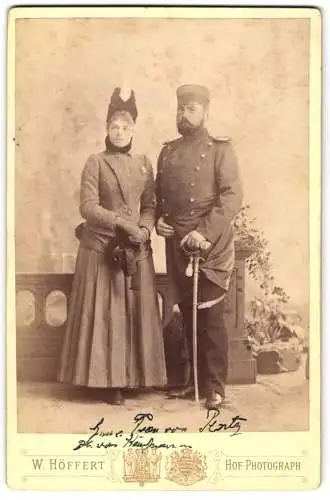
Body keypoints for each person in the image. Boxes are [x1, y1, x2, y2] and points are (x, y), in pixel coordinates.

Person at [57, 87, 167, 404]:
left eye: (125, 127)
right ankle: (109, 382)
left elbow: (150, 205)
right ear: (106, 129)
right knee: (109, 315)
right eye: (114, 127)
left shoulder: (144, 164)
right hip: (103, 249)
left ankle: (135, 377)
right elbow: (88, 207)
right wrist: (121, 223)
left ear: (133, 129)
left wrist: (145, 229)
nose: (119, 132)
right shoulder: (95, 163)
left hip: (136, 248)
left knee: (133, 313)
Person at [155, 84, 243, 410]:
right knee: (188, 311)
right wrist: (159, 222)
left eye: (191, 109)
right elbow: (159, 197)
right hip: (177, 243)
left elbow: (231, 197)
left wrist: (204, 233)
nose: (184, 115)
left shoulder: (220, 149)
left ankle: (216, 386)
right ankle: (193, 381)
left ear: (206, 112)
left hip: (210, 243)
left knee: (211, 316)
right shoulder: (168, 152)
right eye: (181, 109)